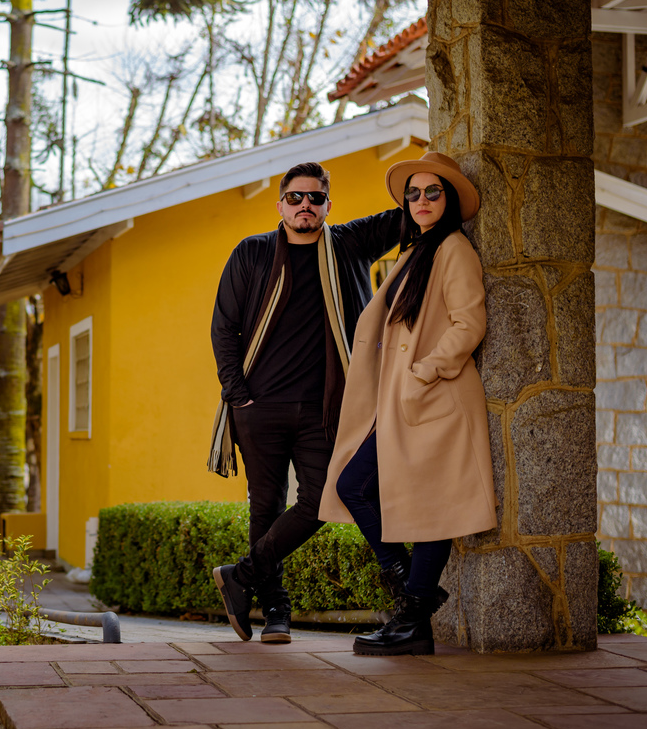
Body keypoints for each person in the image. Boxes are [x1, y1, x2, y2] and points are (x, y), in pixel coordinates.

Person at [209, 161, 403, 644]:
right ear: (280, 205)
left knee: (322, 500)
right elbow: (223, 328)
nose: (305, 207)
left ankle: (242, 576)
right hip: (260, 407)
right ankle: (276, 612)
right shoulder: (252, 254)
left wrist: (437, 175)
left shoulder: (350, 245)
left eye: (315, 198)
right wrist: (239, 396)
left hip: (325, 411)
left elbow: (413, 213)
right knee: (266, 507)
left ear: (328, 206)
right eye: (295, 198)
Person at [318, 152, 496, 656]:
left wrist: (425, 371)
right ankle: (409, 596)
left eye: (432, 192)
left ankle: (412, 619)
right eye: (413, 194)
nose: (421, 201)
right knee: (354, 483)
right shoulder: (416, 252)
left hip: (434, 397)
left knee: (433, 507)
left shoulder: (454, 248)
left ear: (450, 199)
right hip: (403, 402)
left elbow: (469, 323)